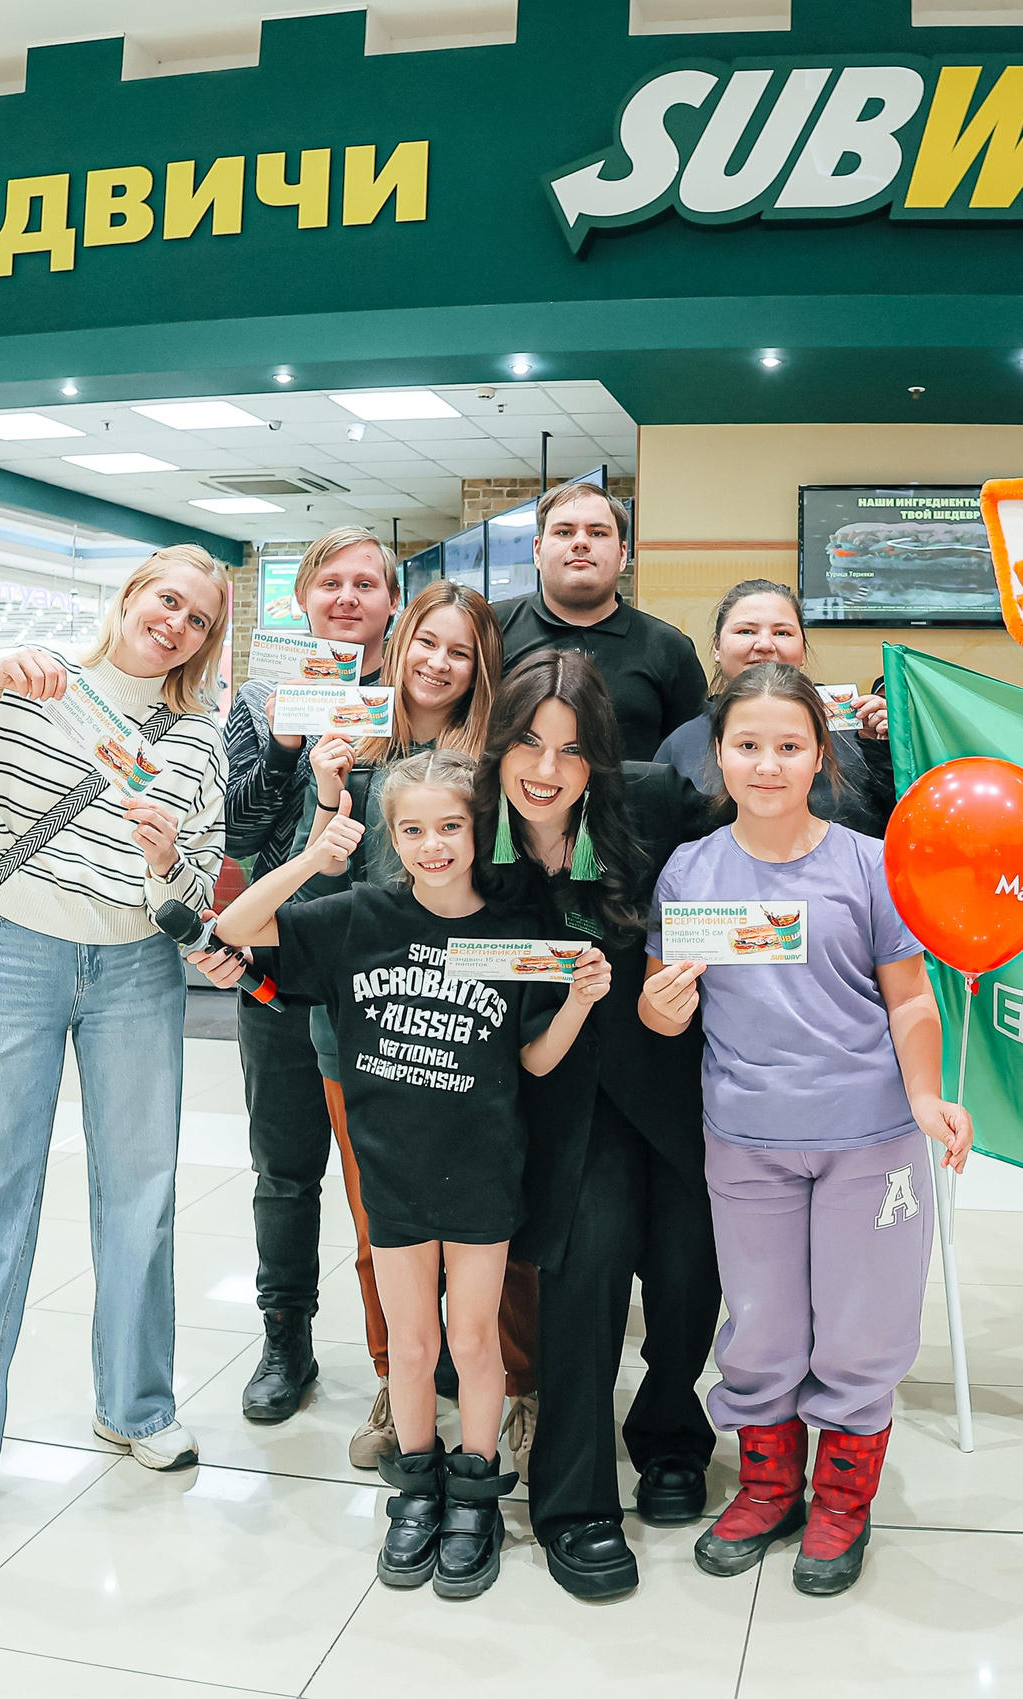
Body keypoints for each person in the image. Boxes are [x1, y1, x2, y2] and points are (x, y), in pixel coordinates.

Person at [0, 545, 237, 1548]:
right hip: (6, 955)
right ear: (128, 595)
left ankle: (136, 1405)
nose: (177, 627)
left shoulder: (198, 737)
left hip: (135, 973)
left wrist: (164, 864)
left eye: (199, 620)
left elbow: (196, 883)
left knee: (140, 1198)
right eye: (167, 601)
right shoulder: (20, 677)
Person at [215, 752, 608, 1599]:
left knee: (472, 1340)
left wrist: (577, 1000)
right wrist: (315, 857)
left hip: (481, 1171)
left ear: (479, 830)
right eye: (413, 830)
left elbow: (537, 1063)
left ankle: (475, 1487)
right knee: (414, 1342)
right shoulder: (357, 916)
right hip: (390, 1168)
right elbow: (239, 929)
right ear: (391, 838)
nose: (433, 845)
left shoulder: (513, 934)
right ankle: (419, 1485)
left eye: (451, 827)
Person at [640, 663, 973, 1598]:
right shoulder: (691, 870)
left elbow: (911, 999)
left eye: (789, 746)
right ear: (719, 756)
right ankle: (769, 1484)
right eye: (748, 745)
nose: (769, 764)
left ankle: (843, 1497)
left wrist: (922, 1097)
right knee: (762, 1324)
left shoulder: (869, 864)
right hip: (745, 1137)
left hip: (869, 1137)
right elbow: (666, 1013)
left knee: (863, 1328)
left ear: (819, 753)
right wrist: (663, 1005)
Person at [479, 650, 722, 1600]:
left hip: (675, 1079)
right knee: (583, 1283)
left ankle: (669, 1431)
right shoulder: (476, 828)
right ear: (498, 743)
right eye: (530, 743)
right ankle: (573, 1501)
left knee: (688, 1272)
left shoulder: (657, 802)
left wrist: (697, 980)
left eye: (573, 752)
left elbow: (734, 890)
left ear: (602, 761)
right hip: (557, 1098)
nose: (547, 769)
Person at [267, 582, 517, 1463]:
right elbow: (314, 891)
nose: (439, 663)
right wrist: (327, 790)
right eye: (427, 644)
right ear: (400, 644)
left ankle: (506, 1388)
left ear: (482, 666)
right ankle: (395, 1377)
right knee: (383, 1228)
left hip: (480, 1033)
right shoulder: (353, 744)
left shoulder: (495, 764)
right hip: (366, 1034)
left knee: (495, 1234)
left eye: (461, 650)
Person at [222, 527, 400, 1430]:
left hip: (380, 974)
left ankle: (405, 1348)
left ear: (390, 601)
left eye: (366, 582)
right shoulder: (260, 697)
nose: (347, 596)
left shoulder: (410, 694)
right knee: (285, 1169)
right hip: (281, 965)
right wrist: (289, 747)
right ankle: (284, 1332)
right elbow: (237, 832)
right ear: (301, 598)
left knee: (388, 1176)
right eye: (330, 581)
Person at [653, 578, 896, 836]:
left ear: (802, 651)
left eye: (783, 633)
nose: (766, 645)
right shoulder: (681, 744)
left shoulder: (860, 734)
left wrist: (890, 747)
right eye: (746, 631)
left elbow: (906, 826)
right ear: (716, 648)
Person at [495, 480, 707, 761]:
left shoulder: (669, 648)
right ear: (537, 550)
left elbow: (694, 759)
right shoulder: (491, 629)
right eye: (564, 532)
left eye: (597, 532)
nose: (580, 542)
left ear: (622, 554)